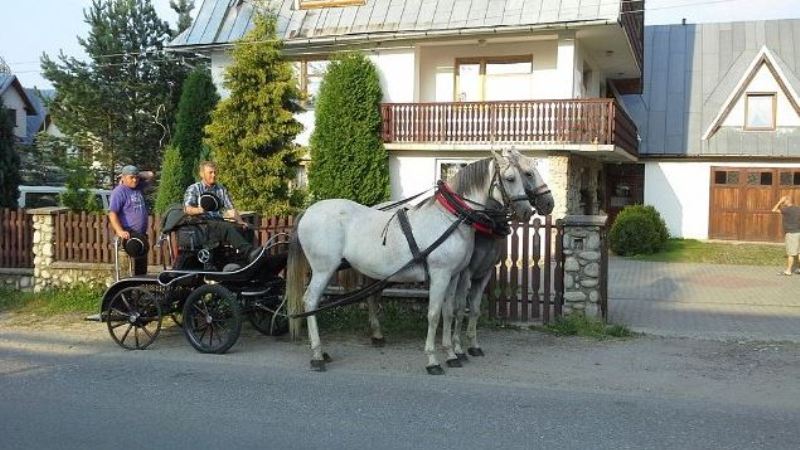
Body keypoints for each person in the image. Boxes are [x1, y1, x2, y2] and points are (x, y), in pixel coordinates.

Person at [183, 160, 258, 262]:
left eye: (215, 172)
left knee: (245, 228)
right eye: (210, 172)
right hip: (202, 223)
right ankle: (249, 252)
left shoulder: (220, 189)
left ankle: (244, 261)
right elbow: (187, 209)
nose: (213, 175)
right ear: (202, 174)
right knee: (226, 227)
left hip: (218, 222)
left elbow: (230, 209)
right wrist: (200, 209)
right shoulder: (194, 188)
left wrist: (240, 222)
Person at [108, 165, 154, 276]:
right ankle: (125, 293)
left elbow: (151, 175)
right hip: (127, 236)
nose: (135, 180)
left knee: (141, 271)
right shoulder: (119, 192)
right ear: (123, 178)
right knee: (125, 272)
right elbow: (112, 213)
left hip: (140, 236)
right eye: (131, 177)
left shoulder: (138, 187)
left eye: (137, 177)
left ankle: (139, 292)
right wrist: (119, 231)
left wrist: (137, 174)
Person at [771, 195, 800, 275]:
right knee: (799, 252)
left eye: (784, 202)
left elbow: (773, 210)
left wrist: (779, 202)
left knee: (790, 253)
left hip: (791, 233)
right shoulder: (798, 208)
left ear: (787, 201)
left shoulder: (786, 210)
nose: (783, 203)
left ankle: (788, 271)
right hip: (799, 232)